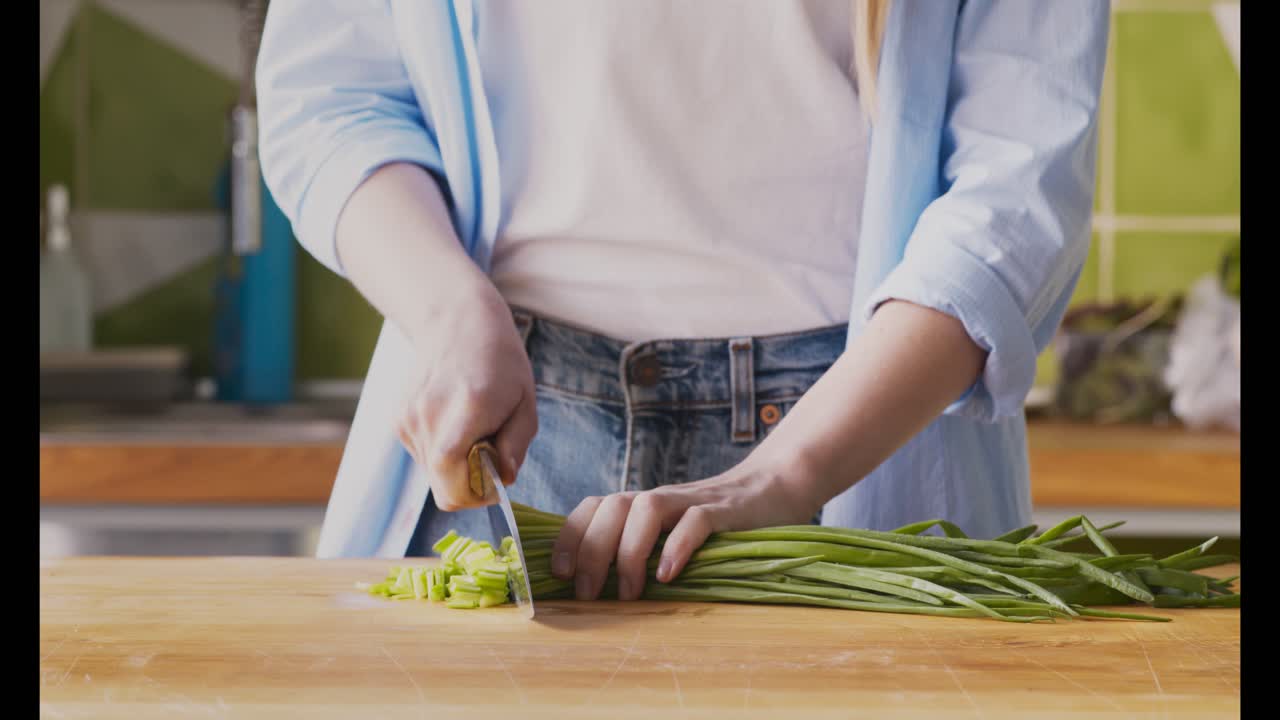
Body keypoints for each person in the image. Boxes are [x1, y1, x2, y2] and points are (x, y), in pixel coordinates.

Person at [256, 1, 1109, 603]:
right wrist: (451, 317)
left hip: (855, 446)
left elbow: (1014, 192)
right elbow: (333, 95)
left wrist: (787, 472)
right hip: (507, 428)